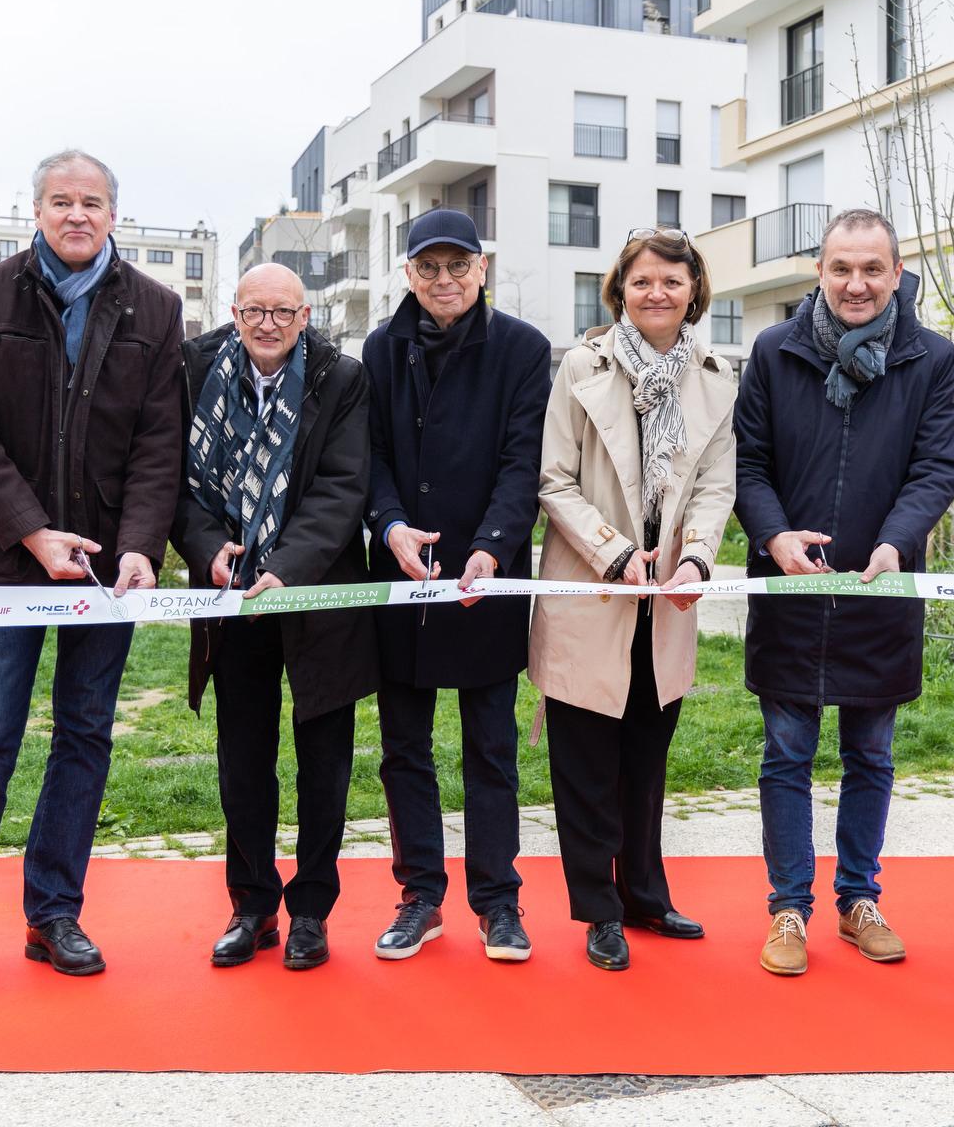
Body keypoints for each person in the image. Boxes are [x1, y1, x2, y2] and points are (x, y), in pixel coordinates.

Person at [0, 150, 184, 995]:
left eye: (94, 202)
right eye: (62, 201)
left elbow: (158, 444)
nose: (78, 215)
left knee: (84, 735)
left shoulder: (156, 307)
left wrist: (142, 544)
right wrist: (34, 534)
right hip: (4, 561)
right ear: (35, 210)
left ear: (115, 214)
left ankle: (54, 914)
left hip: (108, 569)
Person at [733, 207, 954, 977]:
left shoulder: (929, 357)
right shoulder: (774, 351)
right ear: (820, 274)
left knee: (871, 754)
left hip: (883, 586)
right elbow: (749, 462)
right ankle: (788, 910)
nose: (856, 284)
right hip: (790, 589)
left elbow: (939, 464)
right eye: (842, 268)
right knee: (786, 754)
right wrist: (772, 535)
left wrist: (897, 541)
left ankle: (859, 899)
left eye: (873, 269)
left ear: (897, 273)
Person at [528, 226, 738, 971]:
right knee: (585, 765)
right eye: (643, 281)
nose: (657, 293)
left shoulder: (715, 375)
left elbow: (716, 486)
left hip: (667, 601)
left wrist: (694, 561)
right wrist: (614, 552)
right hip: (592, 588)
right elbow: (554, 480)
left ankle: (645, 894)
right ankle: (599, 910)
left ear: (693, 293)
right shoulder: (581, 367)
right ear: (620, 288)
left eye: (672, 282)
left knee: (646, 762)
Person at [173, 264, 377, 971]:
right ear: (233, 311)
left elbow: (343, 487)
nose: (267, 323)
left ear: (305, 316)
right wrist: (209, 551)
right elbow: (178, 482)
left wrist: (283, 567)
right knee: (244, 760)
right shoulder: (195, 369)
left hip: (315, 593)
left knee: (325, 762)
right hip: (235, 600)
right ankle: (252, 904)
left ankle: (312, 911)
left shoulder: (341, 378)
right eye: (255, 310)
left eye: (282, 312)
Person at [362, 208, 551, 963]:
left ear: (482, 270)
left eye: (458, 266)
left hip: (487, 576)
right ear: (408, 274)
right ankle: (419, 896)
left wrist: (493, 550)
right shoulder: (380, 349)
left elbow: (523, 461)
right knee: (404, 746)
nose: (444, 280)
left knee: (491, 746)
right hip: (402, 573)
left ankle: (498, 902)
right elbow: (368, 455)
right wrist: (390, 525)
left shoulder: (523, 350)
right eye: (428, 268)